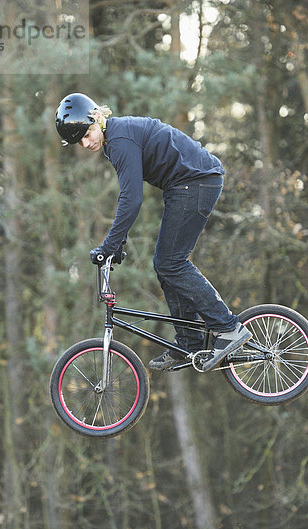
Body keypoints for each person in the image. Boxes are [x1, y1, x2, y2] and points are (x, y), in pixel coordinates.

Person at [55, 92, 251, 372]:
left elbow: (132, 199)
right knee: (165, 264)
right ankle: (190, 343)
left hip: (196, 182)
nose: (86, 143)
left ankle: (227, 327)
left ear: (98, 118)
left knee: (171, 263)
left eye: (86, 134)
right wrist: (118, 241)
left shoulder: (120, 140)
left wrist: (109, 245)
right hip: (185, 184)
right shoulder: (114, 140)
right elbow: (130, 196)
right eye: (80, 141)